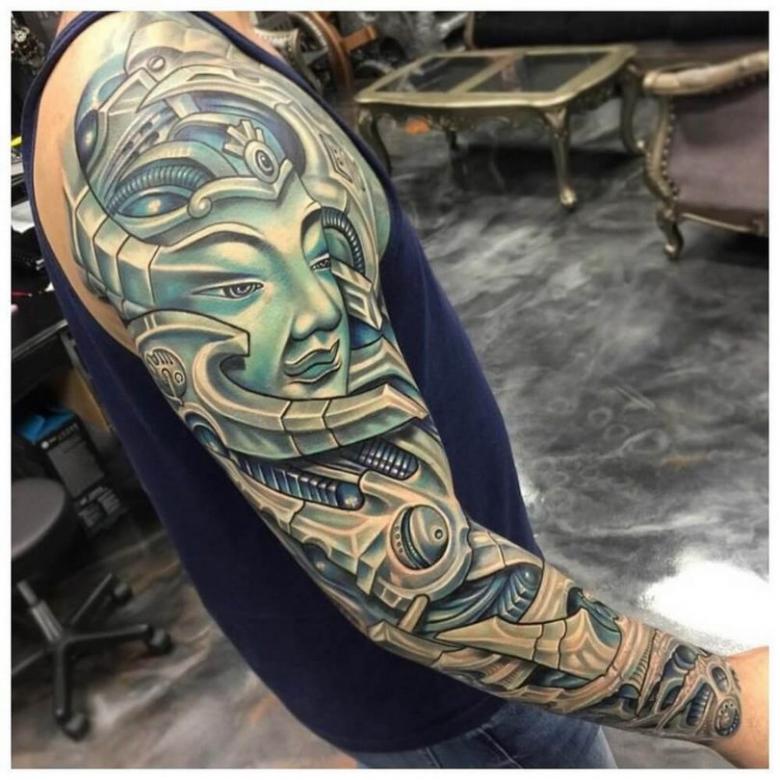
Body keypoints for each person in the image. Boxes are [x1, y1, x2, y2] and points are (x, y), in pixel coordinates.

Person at [21, 11, 767, 769]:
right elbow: (417, 582)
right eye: (241, 283)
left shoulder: (152, 61)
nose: (316, 316)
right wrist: (726, 701)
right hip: (467, 692)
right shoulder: (162, 109)